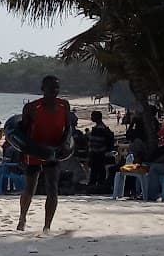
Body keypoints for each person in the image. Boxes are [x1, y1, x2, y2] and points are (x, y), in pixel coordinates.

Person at [17, 75, 74, 231]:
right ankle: (22, 218)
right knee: (30, 188)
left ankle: (47, 226)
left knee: (52, 189)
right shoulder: (32, 107)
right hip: (34, 151)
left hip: (54, 152)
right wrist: (22, 152)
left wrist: (64, 144)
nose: (54, 90)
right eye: (51, 87)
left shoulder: (64, 105)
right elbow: (23, 132)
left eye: (57, 87)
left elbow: (68, 127)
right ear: (43, 89)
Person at [86, 111, 116, 194]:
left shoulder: (99, 129)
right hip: (100, 153)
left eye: (93, 116)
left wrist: (94, 151)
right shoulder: (102, 128)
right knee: (99, 170)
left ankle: (96, 187)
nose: (91, 117)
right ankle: (98, 186)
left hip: (98, 153)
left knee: (96, 170)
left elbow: (97, 142)